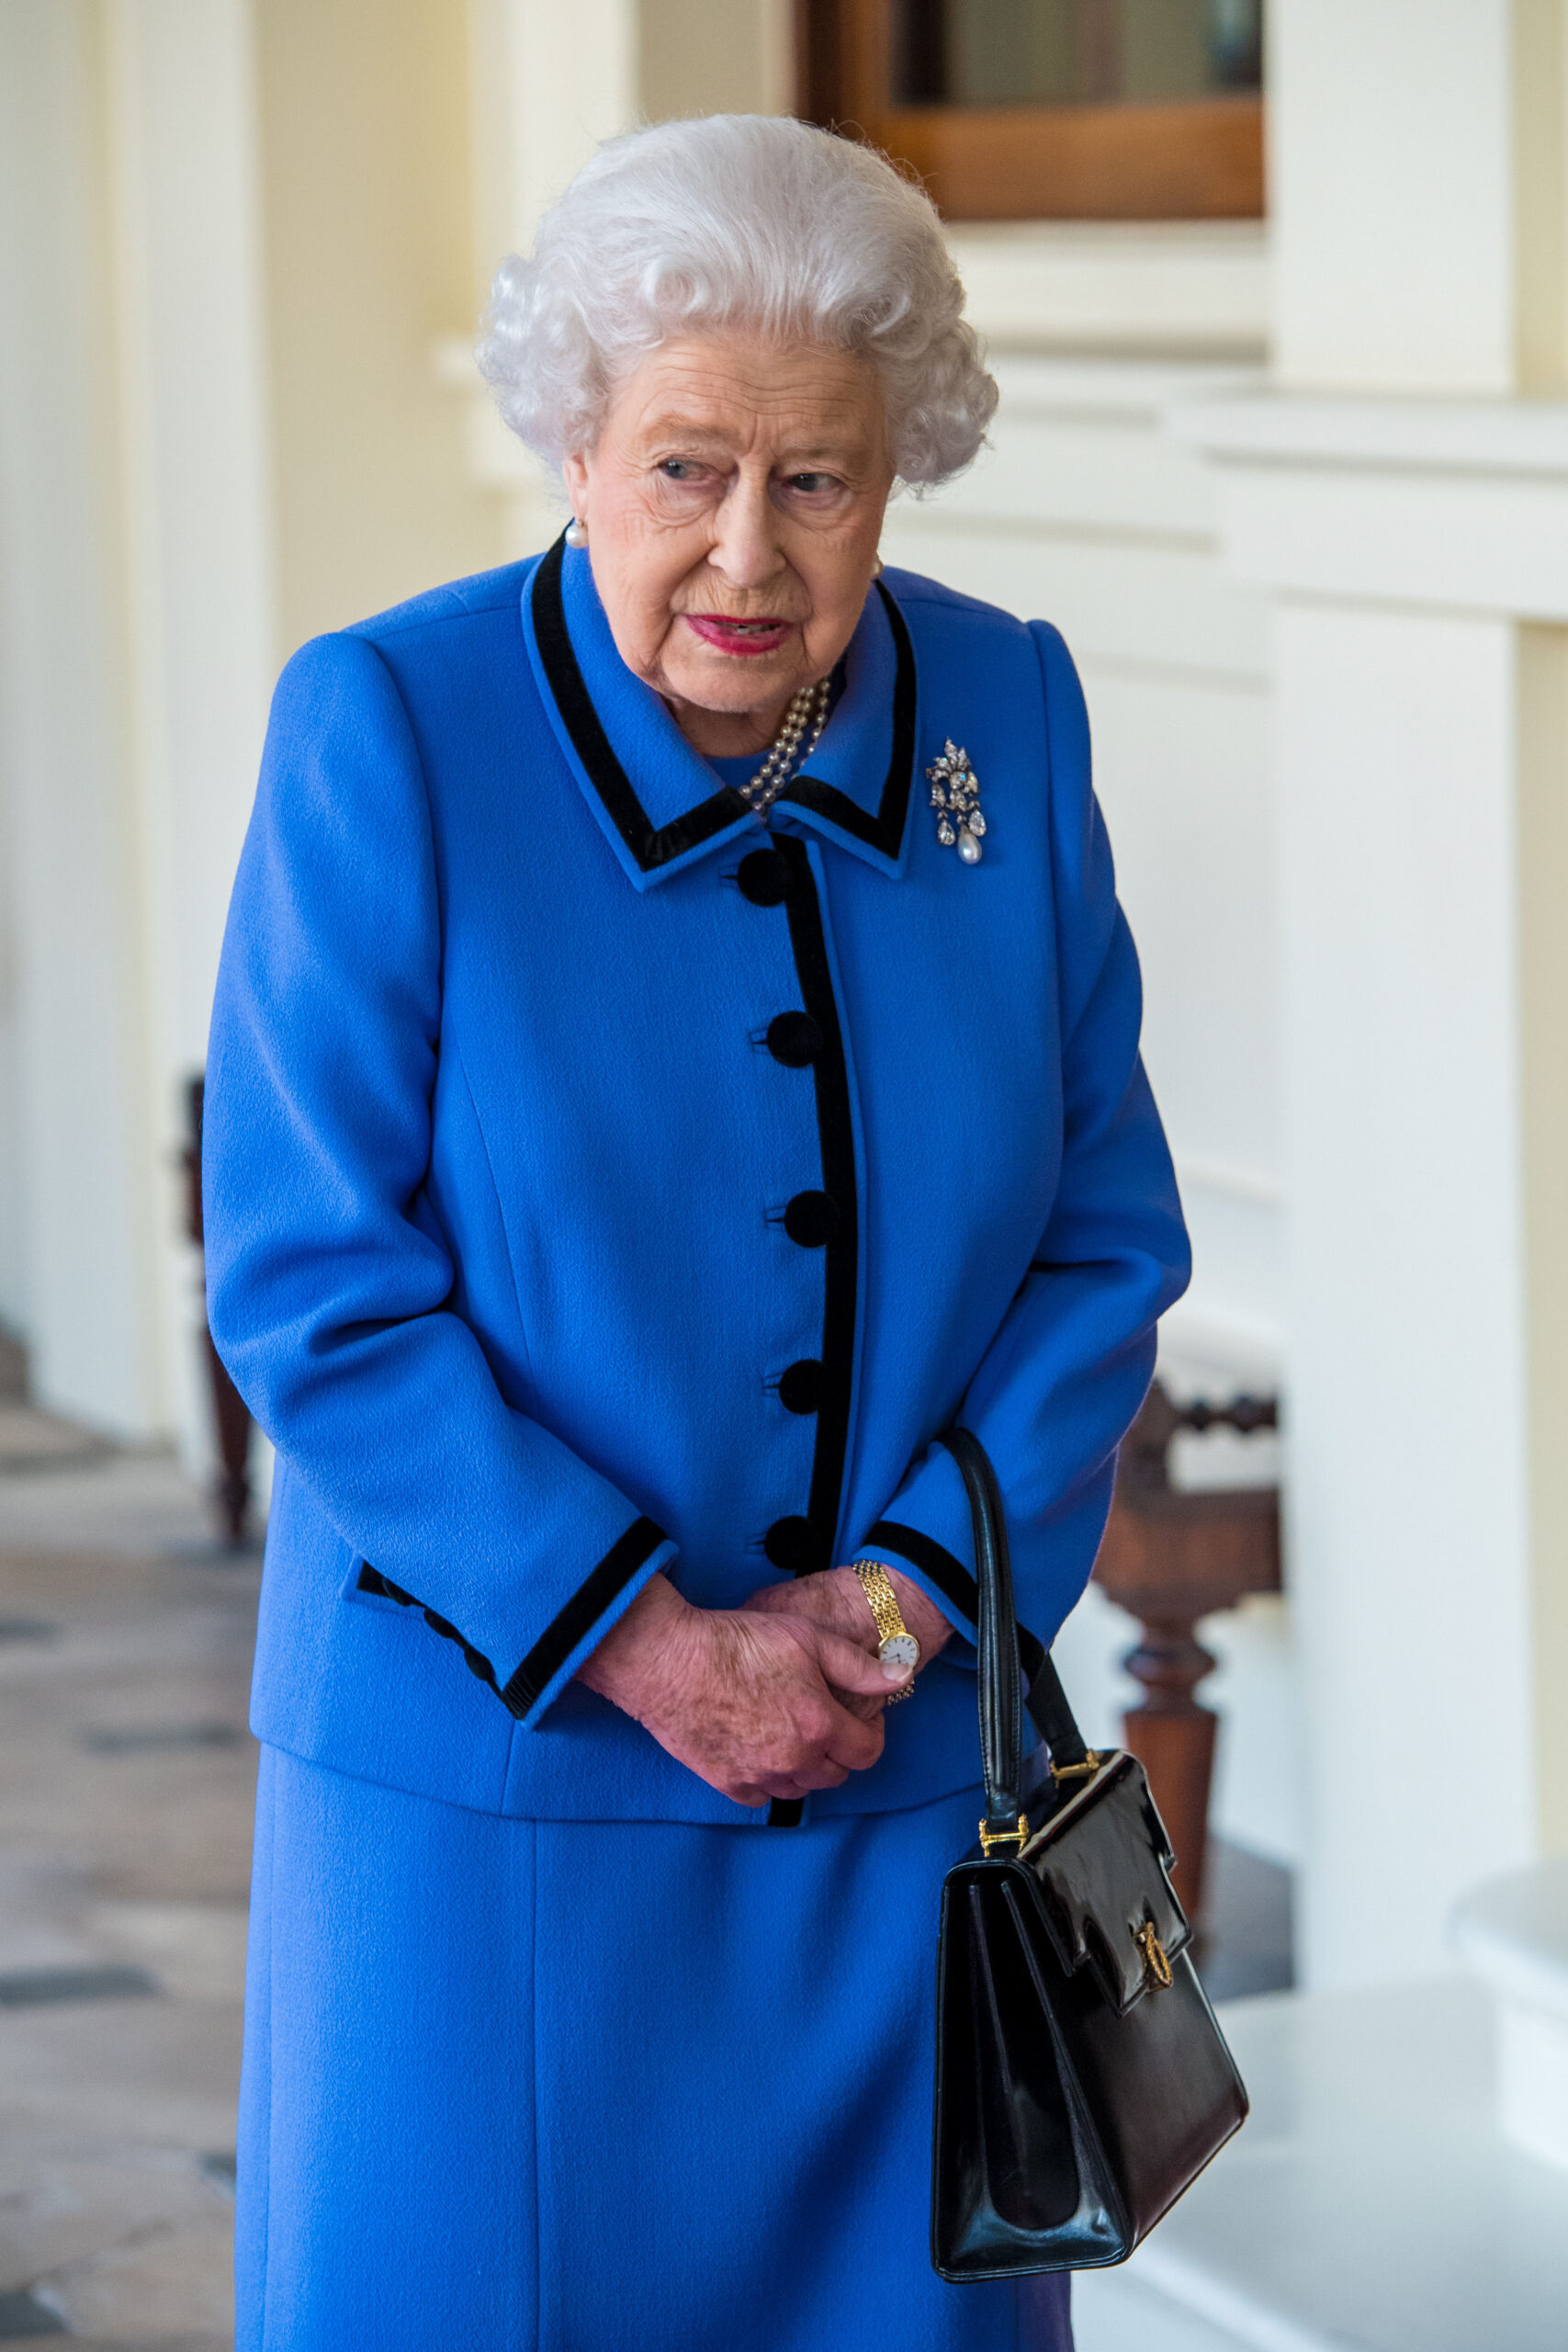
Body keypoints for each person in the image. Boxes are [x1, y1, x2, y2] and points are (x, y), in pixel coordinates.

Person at [204, 111, 1189, 2351]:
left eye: (816, 478)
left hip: (894, 1786)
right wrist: (652, 1642)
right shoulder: (392, 729)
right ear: (572, 451)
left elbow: (1098, 1236)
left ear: (897, 469)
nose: (744, 550)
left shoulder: (1005, 717)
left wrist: (909, 1597)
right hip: (495, 1811)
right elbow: (310, 1275)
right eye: (680, 469)